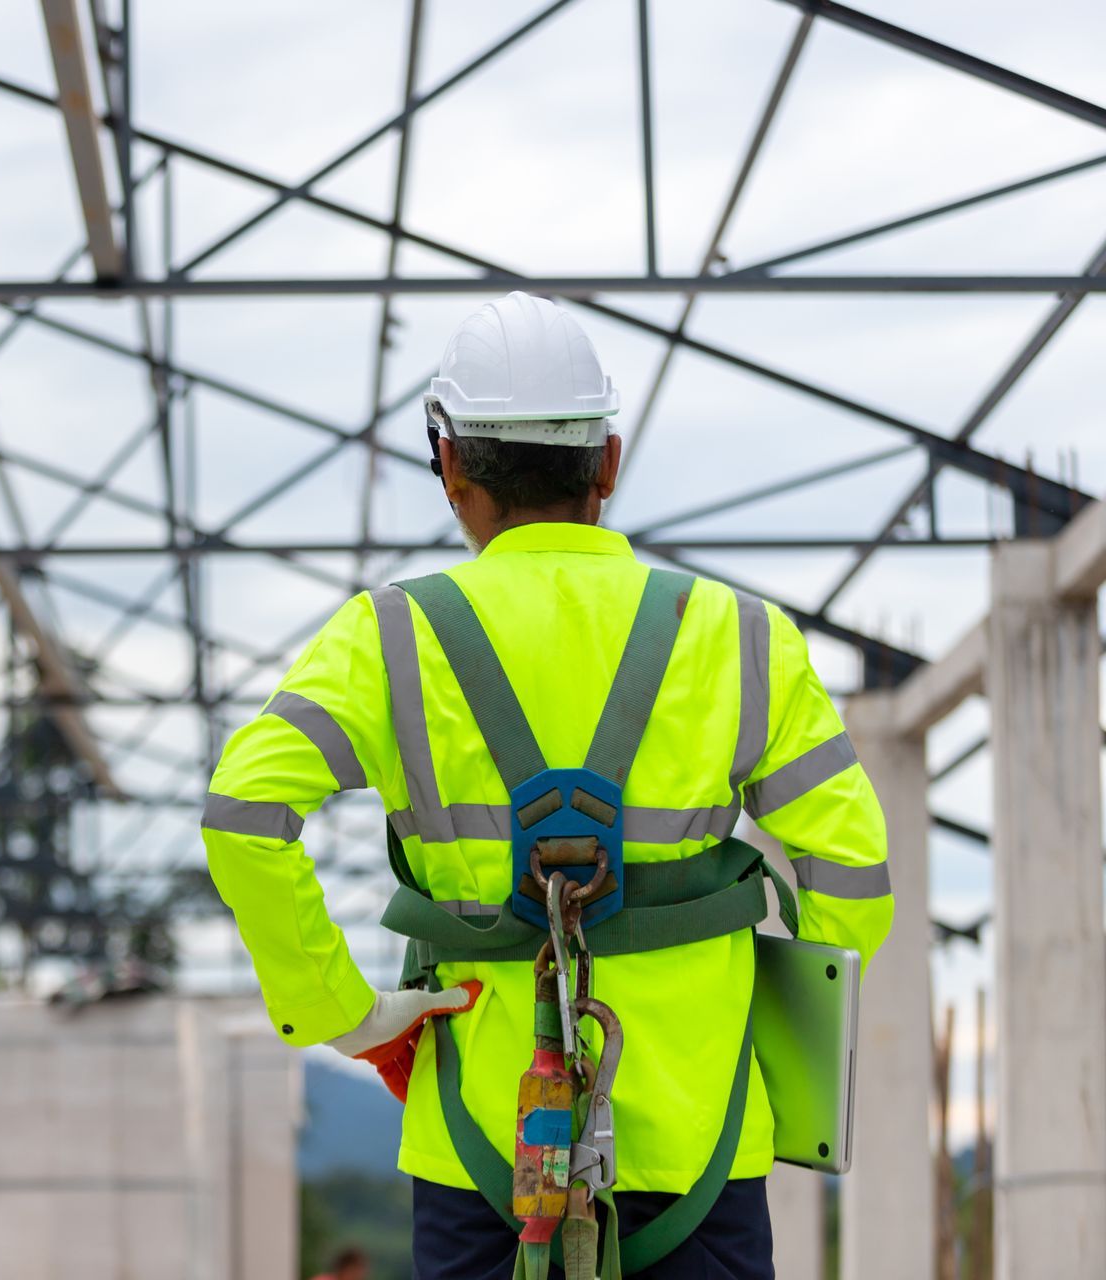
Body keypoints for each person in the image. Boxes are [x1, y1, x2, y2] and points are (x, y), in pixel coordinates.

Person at [201, 293, 892, 1278]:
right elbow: (855, 877)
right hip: (704, 1148)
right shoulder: (744, 640)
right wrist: (762, 1052)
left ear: (449, 468)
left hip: (483, 1155)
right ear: (607, 459)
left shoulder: (391, 638)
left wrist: (340, 1011)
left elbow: (242, 816)